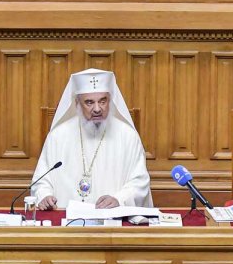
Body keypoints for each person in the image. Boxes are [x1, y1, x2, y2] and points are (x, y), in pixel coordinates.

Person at [33, 68, 152, 210]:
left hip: (112, 218)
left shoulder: (128, 136)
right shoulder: (58, 136)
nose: (97, 109)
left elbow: (140, 181)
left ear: (110, 101)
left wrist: (119, 199)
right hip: (66, 219)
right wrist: (45, 195)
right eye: (89, 102)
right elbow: (42, 181)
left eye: (102, 101)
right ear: (77, 103)